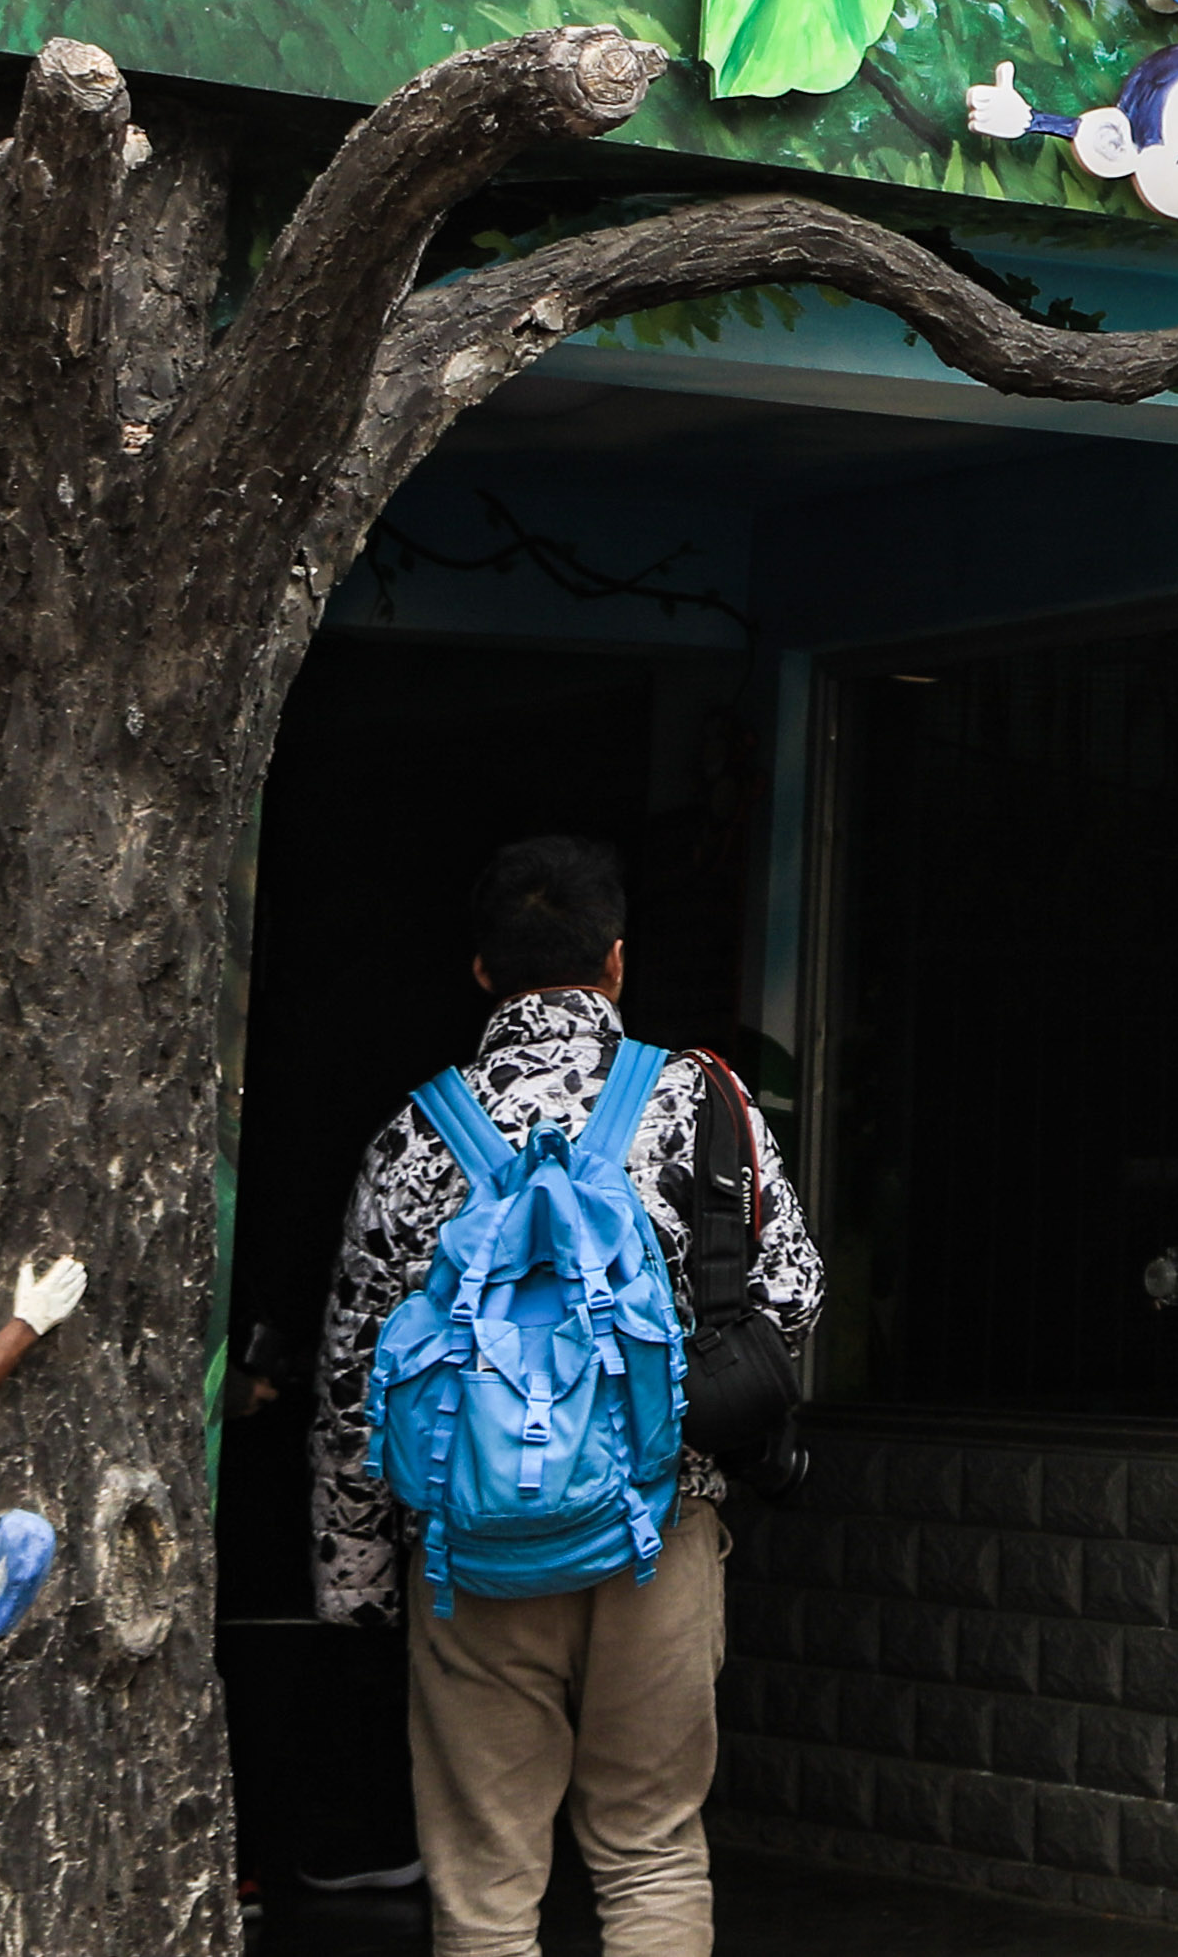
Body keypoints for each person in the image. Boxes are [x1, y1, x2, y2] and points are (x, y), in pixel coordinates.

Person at [314, 832, 818, 1957]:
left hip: (468, 1550)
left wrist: (357, 1585)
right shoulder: (700, 1102)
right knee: (650, 1849)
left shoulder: (412, 1135)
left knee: (486, 1887)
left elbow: (356, 1377)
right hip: (659, 1527)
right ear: (617, 961)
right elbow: (792, 1294)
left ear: (482, 971)